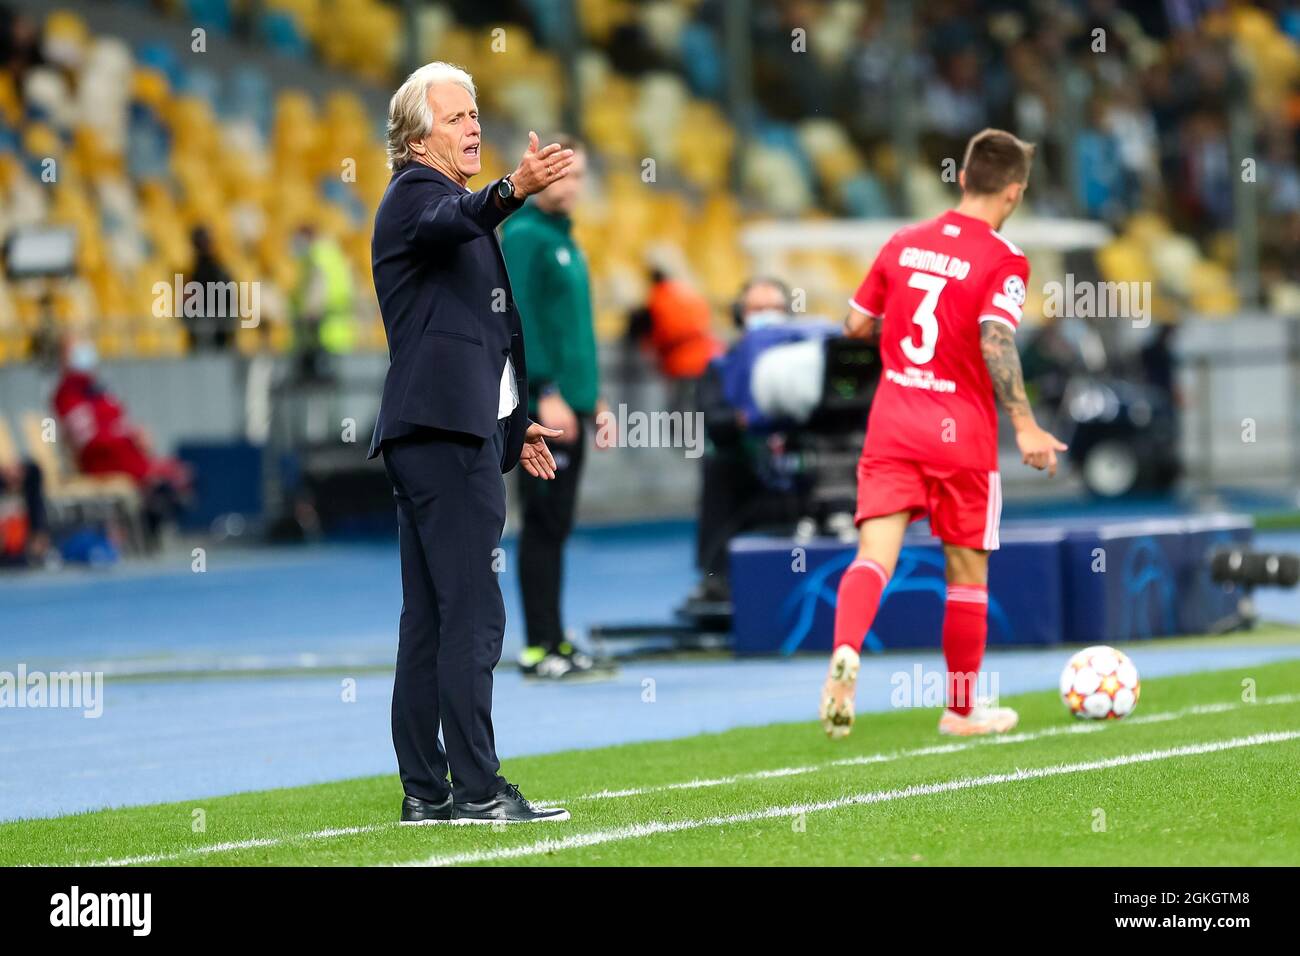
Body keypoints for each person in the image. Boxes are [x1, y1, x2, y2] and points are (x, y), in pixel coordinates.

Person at [367, 61, 575, 825]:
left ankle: (427, 790)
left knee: (430, 618)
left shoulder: (452, 206)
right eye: (457, 117)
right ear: (418, 138)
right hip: (443, 439)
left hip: (441, 432)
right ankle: (478, 788)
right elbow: (450, 225)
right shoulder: (416, 198)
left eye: (476, 113)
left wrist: (515, 424)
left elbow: (485, 332)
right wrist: (513, 189)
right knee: (474, 615)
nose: (473, 126)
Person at [819, 128, 1067, 739]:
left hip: (894, 424)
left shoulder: (903, 242)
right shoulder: (1004, 259)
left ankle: (846, 650)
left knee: (874, 557)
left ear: (961, 178)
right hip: (961, 435)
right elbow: (995, 338)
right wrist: (1027, 423)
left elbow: (854, 324)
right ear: (1013, 194)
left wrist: (902, 342)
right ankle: (961, 710)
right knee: (966, 572)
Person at [500, 135, 614, 682]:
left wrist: (595, 400)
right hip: (548, 407)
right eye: (561, 174)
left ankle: (555, 639)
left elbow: (574, 333)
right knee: (543, 523)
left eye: (578, 175)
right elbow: (518, 320)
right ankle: (539, 646)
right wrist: (543, 390)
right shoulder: (524, 234)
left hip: (571, 403)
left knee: (557, 525)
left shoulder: (565, 240)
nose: (571, 185)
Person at [688, 277, 796, 605]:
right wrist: (747, 419)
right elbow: (712, 418)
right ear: (740, 315)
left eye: (774, 308)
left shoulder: (804, 364)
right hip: (742, 469)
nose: (766, 315)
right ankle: (716, 576)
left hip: (796, 471)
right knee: (719, 465)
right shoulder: (722, 366)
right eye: (757, 308)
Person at [51, 336, 191, 544]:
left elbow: (120, 418)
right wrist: (123, 436)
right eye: (78, 351)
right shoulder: (67, 394)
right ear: (65, 358)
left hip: (122, 451)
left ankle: (148, 522)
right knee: (162, 482)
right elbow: (88, 440)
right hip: (100, 459)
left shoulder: (99, 389)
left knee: (182, 477)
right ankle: (142, 525)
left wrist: (135, 435)